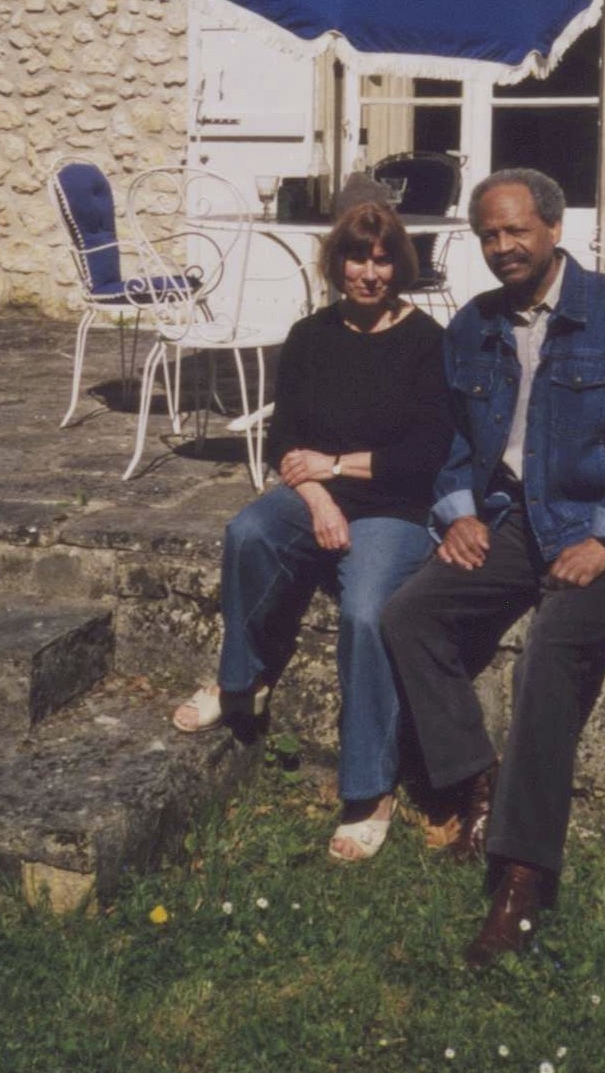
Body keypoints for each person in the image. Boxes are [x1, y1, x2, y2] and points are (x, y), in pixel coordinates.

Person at [383, 167, 605, 965]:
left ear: (552, 229)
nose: (503, 246)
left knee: (549, 654)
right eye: (489, 234)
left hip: (589, 525)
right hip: (509, 519)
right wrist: (458, 510)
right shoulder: (472, 325)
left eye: (516, 230)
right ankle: (474, 780)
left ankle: (522, 873)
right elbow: (453, 445)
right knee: (410, 613)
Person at [173, 198, 454, 863]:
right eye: (357, 258)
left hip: (398, 507)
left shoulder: (427, 343)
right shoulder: (310, 336)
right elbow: (285, 439)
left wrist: (333, 465)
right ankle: (241, 678)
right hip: (319, 494)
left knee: (363, 612)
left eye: (383, 259)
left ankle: (369, 788)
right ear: (336, 263)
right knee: (249, 530)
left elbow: (428, 454)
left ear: (400, 265)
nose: (369, 273)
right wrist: (320, 496)